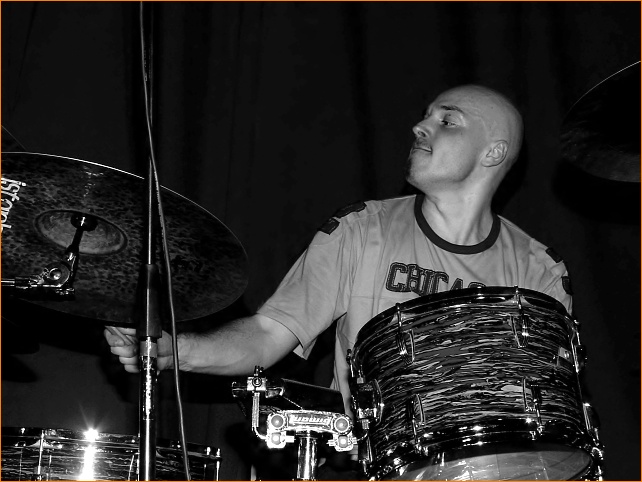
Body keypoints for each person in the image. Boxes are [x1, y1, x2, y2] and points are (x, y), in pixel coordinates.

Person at [105, 84, 572, 474]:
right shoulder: (361, 230)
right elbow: (268, 334)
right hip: (369, 466)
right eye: (425, 115)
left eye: (447, 120)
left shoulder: (539, 270)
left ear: (494, 152)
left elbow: (547, 406)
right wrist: (177, 349)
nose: (420, 126)